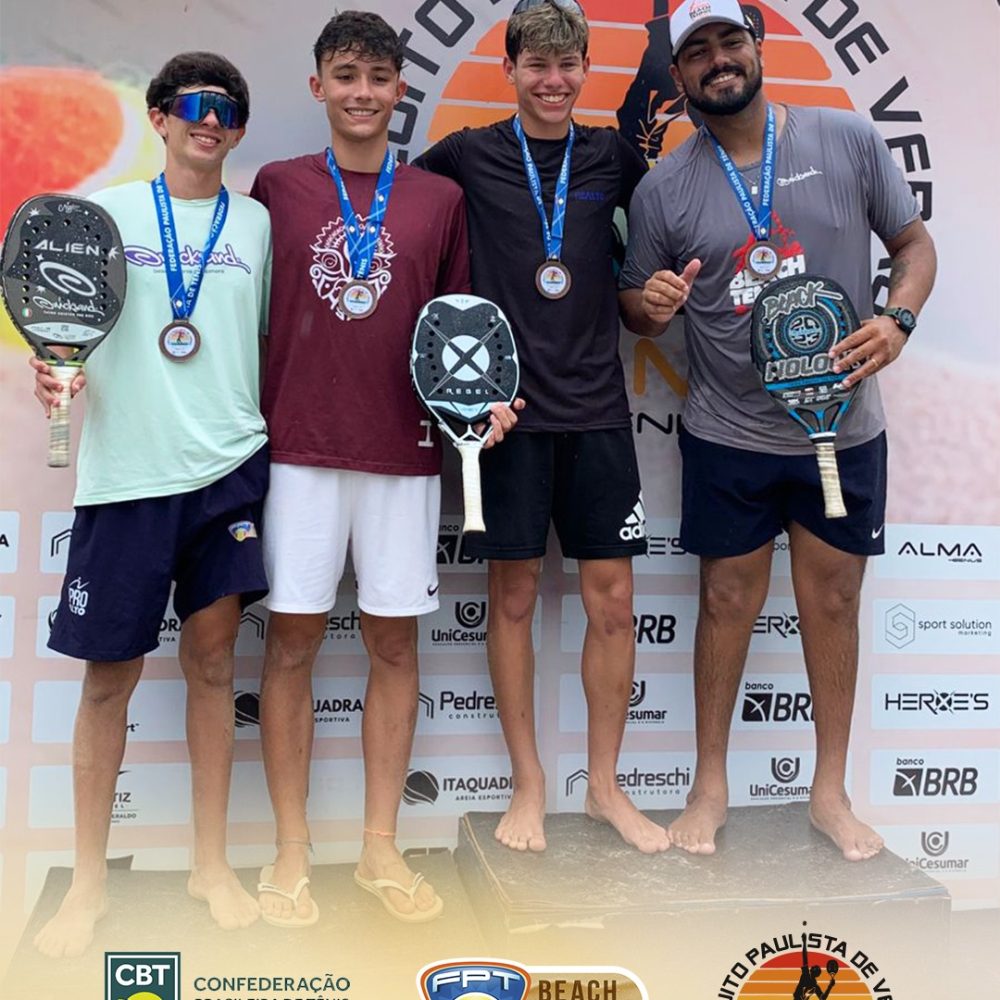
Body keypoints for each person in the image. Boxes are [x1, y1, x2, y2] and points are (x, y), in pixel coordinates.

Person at [619, 0, 936, 860]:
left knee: (834, 602)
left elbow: (914, 248)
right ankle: (709, 788)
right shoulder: (664, 186)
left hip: (844, 425)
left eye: (731, 41)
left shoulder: (848, 139)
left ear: (758, 48)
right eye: (698, 52)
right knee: (726, 603)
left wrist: (897, 321)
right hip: (728, 434)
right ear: (678, 76)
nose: (718, 59)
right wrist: (648, 306)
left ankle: (829, 792)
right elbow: (636, 303)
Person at [249, 11, 518, 926]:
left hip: (405, 453)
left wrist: (485, 407)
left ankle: (378, 849)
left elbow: (459, 333)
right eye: (345, 76)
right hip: (298, 450)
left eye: (377, 78)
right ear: (318, 87)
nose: (361, 93)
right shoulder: (277, 186)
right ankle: (291, 851)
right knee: (290, 644)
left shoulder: (439, 200)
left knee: (395, 646)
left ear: (401, 92)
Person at [29, 52, 271, 955]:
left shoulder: (257, 223)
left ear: (238, 131)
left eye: (228, 110)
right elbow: (64, 330)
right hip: (128, 478)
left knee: (212, 669)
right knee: (108, 683)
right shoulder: (106, 216)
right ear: (162, 117)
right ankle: (88, 883)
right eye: (195, 105)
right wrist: (55, 367)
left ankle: (210, 866)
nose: (211, 120)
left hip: (229, 470)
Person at [416, 0, 670, 855]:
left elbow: (649, 263)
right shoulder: (465, 154)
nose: (553, 81)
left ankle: (604, 787)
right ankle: (527, 785)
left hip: (598, 411)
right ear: (511, 70)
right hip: (504, 420)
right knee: (514, 599)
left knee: (615, 604)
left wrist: (655, 297)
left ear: (587, 69)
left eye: (567, 65)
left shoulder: (614, 158)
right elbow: (404, 225)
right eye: (537, 65)